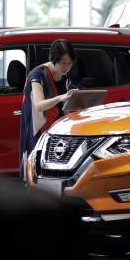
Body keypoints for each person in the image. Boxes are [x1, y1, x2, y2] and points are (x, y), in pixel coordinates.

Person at [19, 39, 78, 181]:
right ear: (54, 59)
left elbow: (63, 106)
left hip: (56, 126)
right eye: (63, 62)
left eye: (69, 63)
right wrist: (61, 98)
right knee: (37, 166)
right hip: (38, 126)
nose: (66, 67)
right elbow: (39, 105)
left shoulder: (64, 76)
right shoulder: (37, 75)